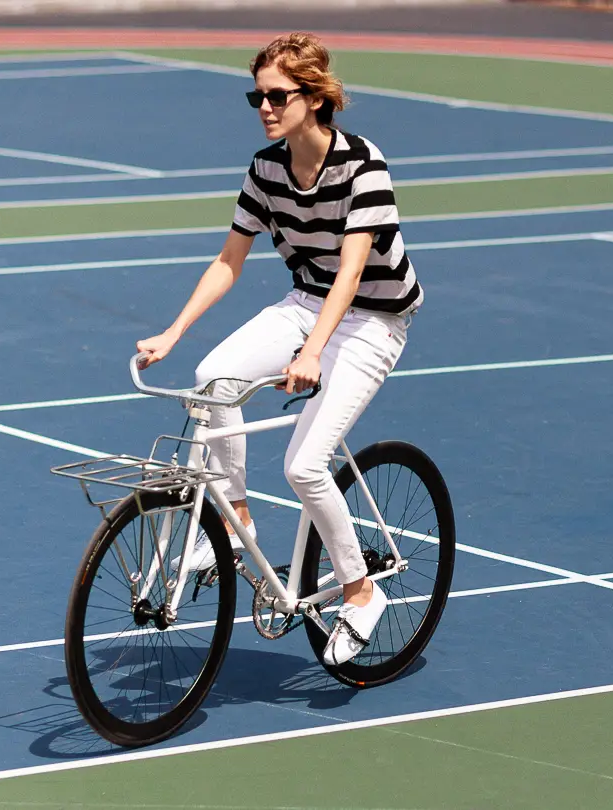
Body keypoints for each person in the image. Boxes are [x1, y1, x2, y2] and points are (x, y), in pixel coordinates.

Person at [135, 32, 421, 666]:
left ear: (315, 98)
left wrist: (314, 353)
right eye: (256, 96)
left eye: (277, 95)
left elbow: (352, 273)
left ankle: (360, 591)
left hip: (373, 319)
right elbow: (228, 259)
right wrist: (173, 332)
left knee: (303, 467)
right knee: (212, 380)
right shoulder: (265, 168)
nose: (264, 107)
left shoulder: (362, 164)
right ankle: (238, 523)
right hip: (307, 303)